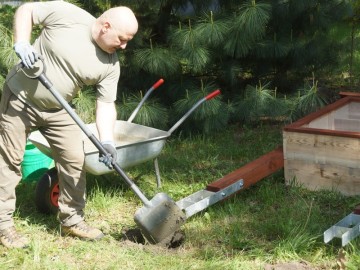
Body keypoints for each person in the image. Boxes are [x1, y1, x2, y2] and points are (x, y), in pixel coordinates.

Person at [0, 1, 138, 248]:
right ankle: (2, 226)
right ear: (105, 26)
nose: (125, 46)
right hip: (21, 98)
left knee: (75, 159)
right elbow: (26, 10)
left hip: (60, 109)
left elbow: (105, 104)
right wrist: (21, 42)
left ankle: (72, 220)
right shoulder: (68, 16)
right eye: (122, 39)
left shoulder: (110, 64)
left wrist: (106, 141)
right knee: (9, 161)